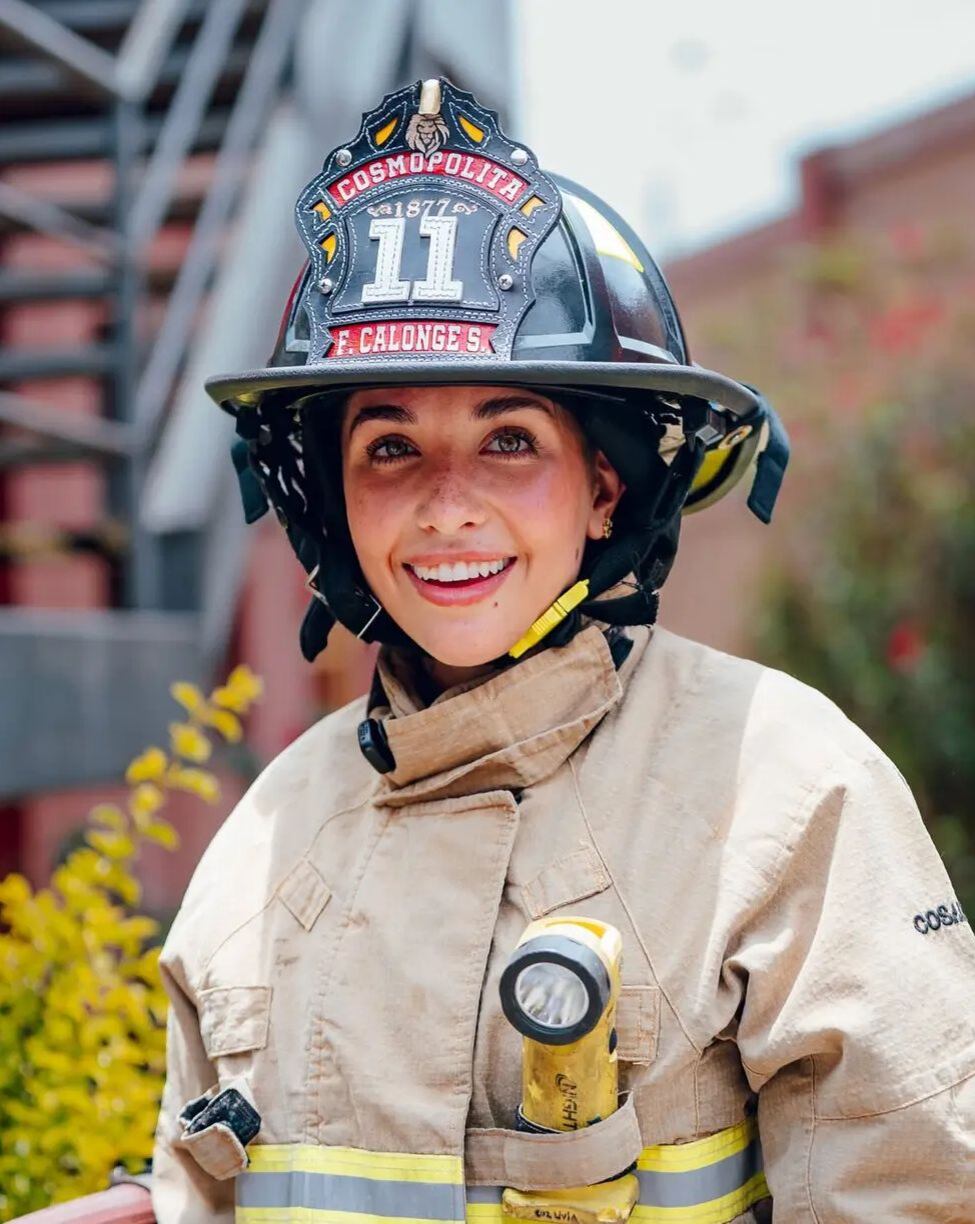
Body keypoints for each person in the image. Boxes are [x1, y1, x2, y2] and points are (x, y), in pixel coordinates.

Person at [152, 79, 975, 1223]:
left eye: (508, 440)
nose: (447, 505)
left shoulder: (787, 793)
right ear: (334, 500)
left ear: (603, 489)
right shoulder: (263, 845)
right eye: (389, 447)